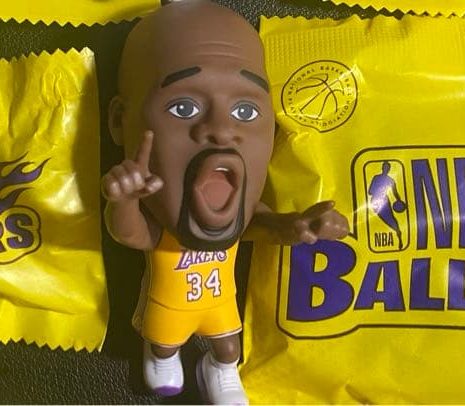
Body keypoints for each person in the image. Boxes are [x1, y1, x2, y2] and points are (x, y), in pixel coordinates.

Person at [101, 1, 349, 403]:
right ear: (119, 122)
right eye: (184, 107)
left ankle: (218, 369)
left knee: (229, 347)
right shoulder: (165, 221)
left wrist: (297, 226)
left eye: (245, 110)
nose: (221, 130)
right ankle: (162, 355)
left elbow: (262, 227)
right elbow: (131, 234)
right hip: (168, 306)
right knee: (163, 342)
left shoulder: (239, 209)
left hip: (218, 305)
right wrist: (124, 201)